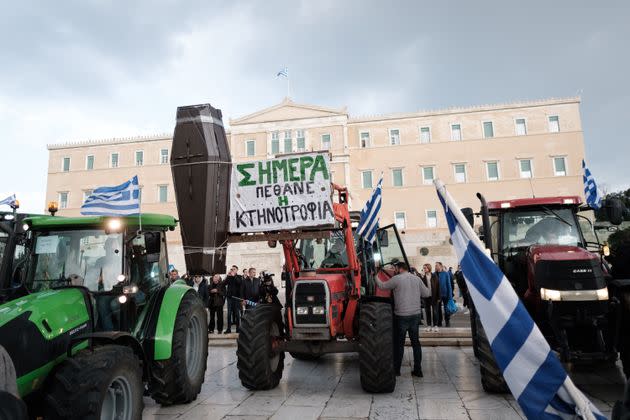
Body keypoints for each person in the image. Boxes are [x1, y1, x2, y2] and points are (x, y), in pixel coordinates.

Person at [376, 261, 430, 377]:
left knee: (399, 344)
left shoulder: (397, 279)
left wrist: (375, 275)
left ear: (400, 269)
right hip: (415, 315)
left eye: (395, 268)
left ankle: (396, 370)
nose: (394, 270)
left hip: (401, 316)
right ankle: (418, 370)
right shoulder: (416, 279)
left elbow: (382, 286)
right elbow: (426, 293)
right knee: (416, 343)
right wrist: (428, 281)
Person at [223, 265, 242, 333]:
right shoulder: (229, 277)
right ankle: (228, 329)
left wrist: (234, 276)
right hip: (229, 298)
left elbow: (239, 283)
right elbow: (223, 284)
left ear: (237, 270)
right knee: (229, 314)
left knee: (237, 314)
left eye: (234, 269)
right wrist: (227, 276)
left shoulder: (239, 276)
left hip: (236, 298)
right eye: (232, 269)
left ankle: (238, 328)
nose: (232, 270)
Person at [420, 264, 438, 332]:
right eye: (423, 268)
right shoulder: (423, 276)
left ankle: (435, 325)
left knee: (435, 311)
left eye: (425, 268)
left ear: (429, 268)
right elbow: (421, 285)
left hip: (434, 296)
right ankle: (429, 325)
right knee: (427, 311)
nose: (424, 269)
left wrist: (438, 297)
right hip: (426, 296)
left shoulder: (434, 275)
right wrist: (422, 276)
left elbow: (438, 286)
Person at [435, 262, 453, 327]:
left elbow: (449, 285)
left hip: (445, 294)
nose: (436, 267)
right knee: (438, 309)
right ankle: (439, 322)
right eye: (435, 266)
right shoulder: (434, 274)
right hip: (437, 295)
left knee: (446, 309)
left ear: (440, 266)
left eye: (437, 265)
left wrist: (450, 296)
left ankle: (447, 321)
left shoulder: (446, 274)